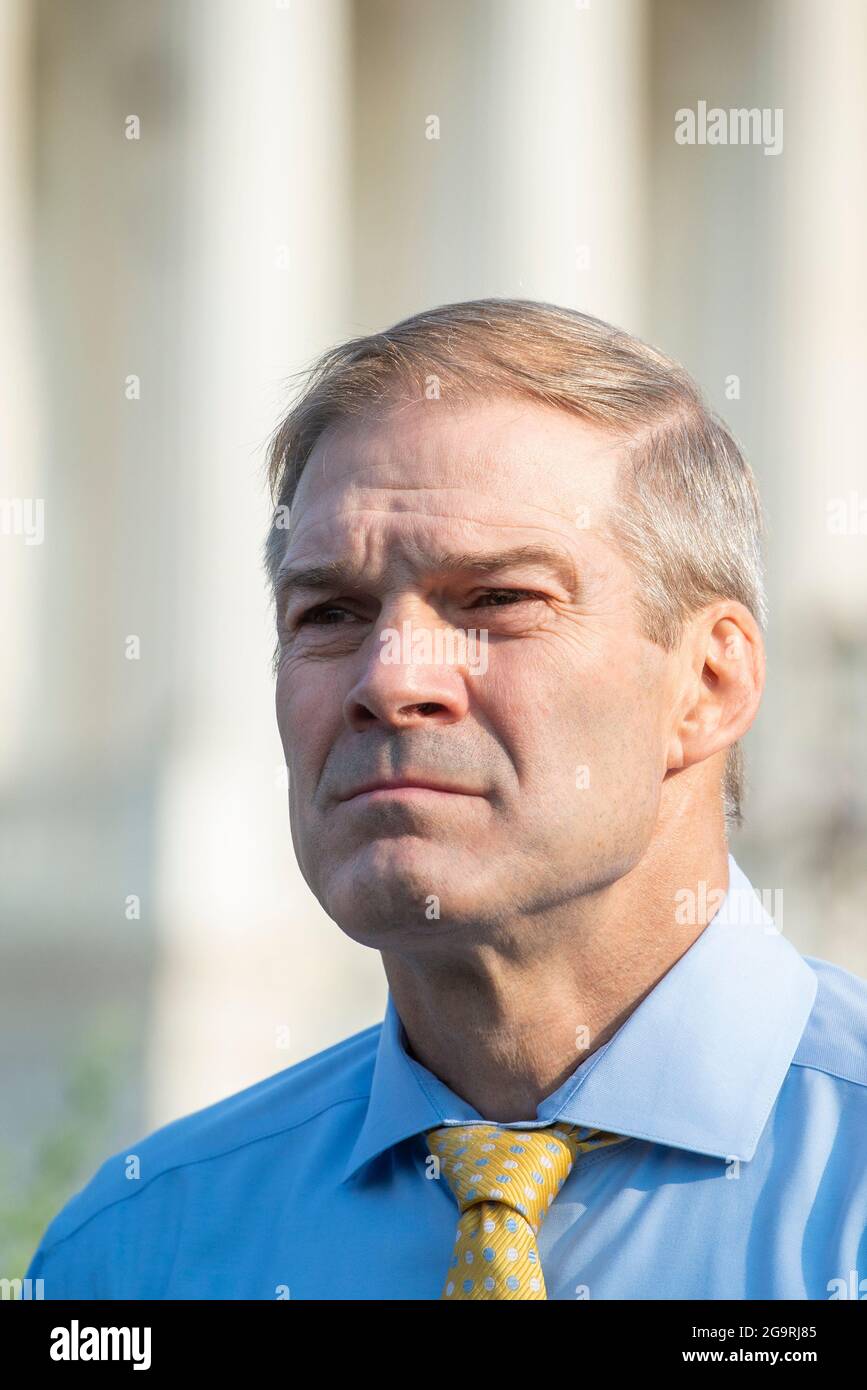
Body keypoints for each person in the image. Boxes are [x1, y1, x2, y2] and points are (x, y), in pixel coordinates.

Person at [25, 299, 867, 1299]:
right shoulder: (134, 1258)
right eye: (330, 612)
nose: (390, 679)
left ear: (710, 684)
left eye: (498, 599)